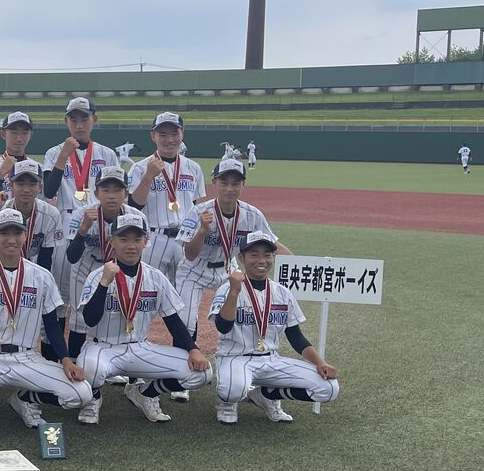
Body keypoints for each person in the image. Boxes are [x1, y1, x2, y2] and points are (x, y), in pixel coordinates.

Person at [0, 208, 92, 429]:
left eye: (17, 233)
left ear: (26, 235)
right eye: (4, 233)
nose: (11, 239)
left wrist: (66, 359)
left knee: (82, 393)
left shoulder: (41, 275)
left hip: (27, 356)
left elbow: (52, 325)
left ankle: (25, 399)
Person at [76, 210, 211, 425]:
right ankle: (93, 398)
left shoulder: (155, 277)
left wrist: (193, 350)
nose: (131, 245)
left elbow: (173, 320)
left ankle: (145, 393)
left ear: (146, 241)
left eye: (137, 239)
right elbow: (90, 320)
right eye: (123, 239)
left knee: (202, 373)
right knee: (90, 370)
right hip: (102, 347)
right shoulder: (98, 275)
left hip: (140, 347)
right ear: (112, 241)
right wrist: (104, 283)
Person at [210, 230, 340, 424]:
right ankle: (227, 405)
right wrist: (234, 293)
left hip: (271, 360)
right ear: (242, 258)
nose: (261, 260)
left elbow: (296, 337)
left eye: (267, 254)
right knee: (232, 390)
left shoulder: (282, 293)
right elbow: (223, 326)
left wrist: (320, 363)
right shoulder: (228, 289)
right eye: (254, 254)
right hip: (234, 358)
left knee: (329, 388)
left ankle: (266, 395)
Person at [175, 158, 286, 354]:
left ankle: (236, 357)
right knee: (185, 321)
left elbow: (273, 244)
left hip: (228, 269)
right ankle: (183, 364)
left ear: (243, 185)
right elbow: (189, 255)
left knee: (241, 311)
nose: (229, 188)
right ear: (214, 183)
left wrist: (302, 263)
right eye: (224, 182)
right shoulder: (199, 211)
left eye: (236, 183)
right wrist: (202, 231)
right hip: (194, 269)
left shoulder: (252, 215)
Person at [42, 97, 121, 318]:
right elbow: (49, 192)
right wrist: (63, 156)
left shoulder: (107, 154)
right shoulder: (54, 153)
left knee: (103, 283)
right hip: (67, 220)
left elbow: (118, 192)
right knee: (61, 289)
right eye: (73, 120)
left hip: (100, 221)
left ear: (94, 120)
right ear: (65, 121)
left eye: (84, 119)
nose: (79, 125)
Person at [62, 165, 131, 361]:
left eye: (117, 190)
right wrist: (83, 229)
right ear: (96, 193)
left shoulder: (134, 217)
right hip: (85, 267)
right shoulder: (81, 214)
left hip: (118, 268)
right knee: (78, 319)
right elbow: (72, 257)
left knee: (119, 314)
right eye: (106, 190)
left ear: (126, 193)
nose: (111, 196)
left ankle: (117, 362)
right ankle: (75, 364)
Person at [127, 111, 206, 280]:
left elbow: (194, 205)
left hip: (184, 238)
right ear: (153, 136)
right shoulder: (140, 168)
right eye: (162, 134)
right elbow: (134, 206)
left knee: (184, 288)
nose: (169, 140)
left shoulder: (193, 168)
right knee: (147, 286)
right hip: (154, 237)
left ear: (182, 134)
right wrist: (148, 177)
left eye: (174, 134)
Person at [0, 159, 62, 272]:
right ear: (11, 185)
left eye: (32, 184)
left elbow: (45, 258)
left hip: (28, 266)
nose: (26, 190)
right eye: (20, 184)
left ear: (40, 187)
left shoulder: (51, 215)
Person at [0, 110, 36, 205]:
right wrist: (0, 174)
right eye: (14, 132)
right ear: (3, 134)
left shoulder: (37, 168)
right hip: (0, 215)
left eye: (24, 133)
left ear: (31, 135)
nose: (19, 138)